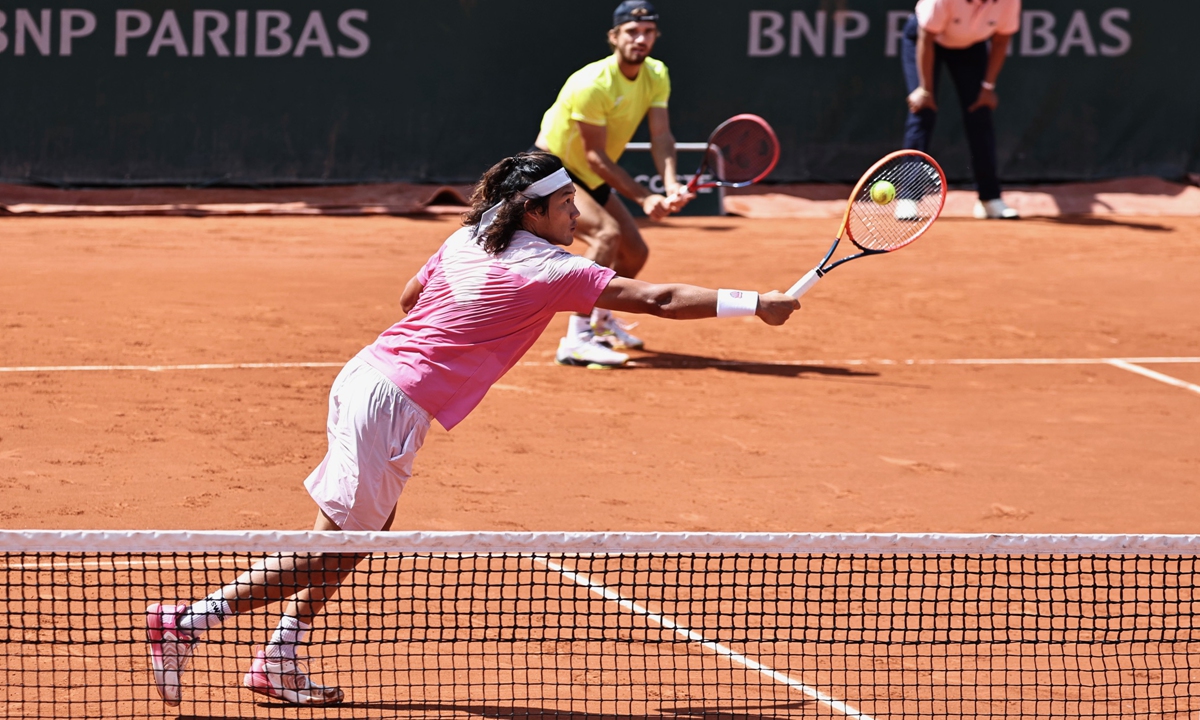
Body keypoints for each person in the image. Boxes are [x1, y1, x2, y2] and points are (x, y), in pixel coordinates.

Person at [144, 151, 799, 707]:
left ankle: (279, 657)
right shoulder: (551, 270)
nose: (577, 215)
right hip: (392, 405)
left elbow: (408, 299)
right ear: (533, 213)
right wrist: (756, 304)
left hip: (364, 379)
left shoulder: (470, 237)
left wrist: (474, 316)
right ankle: (186, 621)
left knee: (363, 532)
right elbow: (654, 298)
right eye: (567, 205)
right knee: (331, 550)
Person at [534, 0, 694, 368]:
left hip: (584, 174)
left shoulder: (657, 73)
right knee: (606, 235)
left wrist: (669, 184)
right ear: (614, 37)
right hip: (552, 168)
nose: (641, 39)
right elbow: (595, 157)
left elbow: (662, 135)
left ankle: (601, 321)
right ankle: (576, 339)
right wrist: (644, 198)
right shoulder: (593, 82)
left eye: (648, 32)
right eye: (632, 32)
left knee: (634, 252)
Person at [900, 0, 1021, 220]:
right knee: (922, 112)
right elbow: (925, 39)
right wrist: (924, 90)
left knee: (980, 114)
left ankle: (989, 199)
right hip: (927, 41)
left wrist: (988, 87)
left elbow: (1001, 41)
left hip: (971, 47)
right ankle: (908, 197)